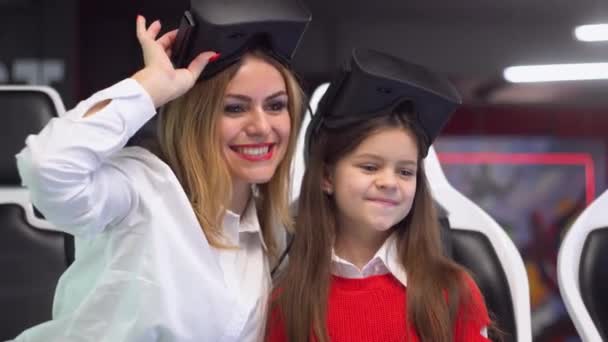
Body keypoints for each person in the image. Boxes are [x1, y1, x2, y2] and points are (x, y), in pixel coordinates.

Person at [12, 1, 310, 340]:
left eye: (275, 105)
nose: (261, 126)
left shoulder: (269, 229)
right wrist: (150, 87)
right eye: (235, 108)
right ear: (196, 118)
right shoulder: (140, 188)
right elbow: (48, 168)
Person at [266, 48, 494, 342]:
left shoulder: (452, 289)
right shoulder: (289, 299)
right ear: (326, 177)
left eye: (405, 172)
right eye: (370, 166)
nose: (389, 182)